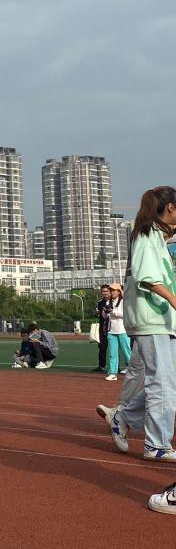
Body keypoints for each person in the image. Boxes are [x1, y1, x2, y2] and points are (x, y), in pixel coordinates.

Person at [96, 187, 176, 484]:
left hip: (163, 319)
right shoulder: (145, 235)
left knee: (169, 382)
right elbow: (146, 277)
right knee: (161, 381)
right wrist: (174, 300)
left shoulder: (157, 236)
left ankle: (124, 417)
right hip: (150, 318)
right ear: (170, 208)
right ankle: (157, 444)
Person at [104, 283, 131, 381]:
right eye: (111, 290)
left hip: (122, 330)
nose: (112, 292)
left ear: (119, 292)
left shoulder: (124, 301)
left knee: (127, 352)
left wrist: (113, 312)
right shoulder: (108, 302)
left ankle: (134, 370)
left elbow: (126, 314)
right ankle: (112, 373)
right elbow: (106, 316)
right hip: (111, 331)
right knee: (112, 353)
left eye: (114, 290)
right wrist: (105, 312)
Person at [94, 284, 112, 373]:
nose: (105, 293)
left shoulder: (114, 301)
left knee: (113, 348)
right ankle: (101, 366)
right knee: (102, 347)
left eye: (107, 291)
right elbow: (98, 314)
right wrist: (98, 313)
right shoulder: (99, 303)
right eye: (103, 291)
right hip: (103, 328)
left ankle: (116, 367)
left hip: (112, 327)